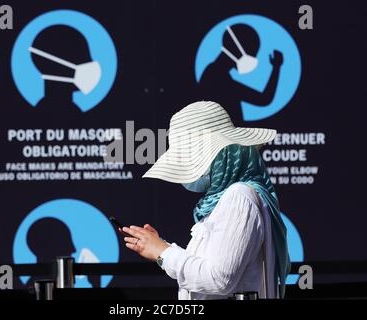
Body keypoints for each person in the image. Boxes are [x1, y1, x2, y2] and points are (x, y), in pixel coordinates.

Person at [122, 101, 290, 299]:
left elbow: (220, 280)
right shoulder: (228, 198)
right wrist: (159, 247)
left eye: (193, 158)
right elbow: (212, 268)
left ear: (221, 156)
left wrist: (163, 252)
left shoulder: (239, 197)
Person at [198, 24, 283, 125]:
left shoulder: (216, 72)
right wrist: (276, 67)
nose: (252, 58)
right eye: (251, 52)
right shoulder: (215, 76)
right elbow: (263, 99)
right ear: (236, 47)